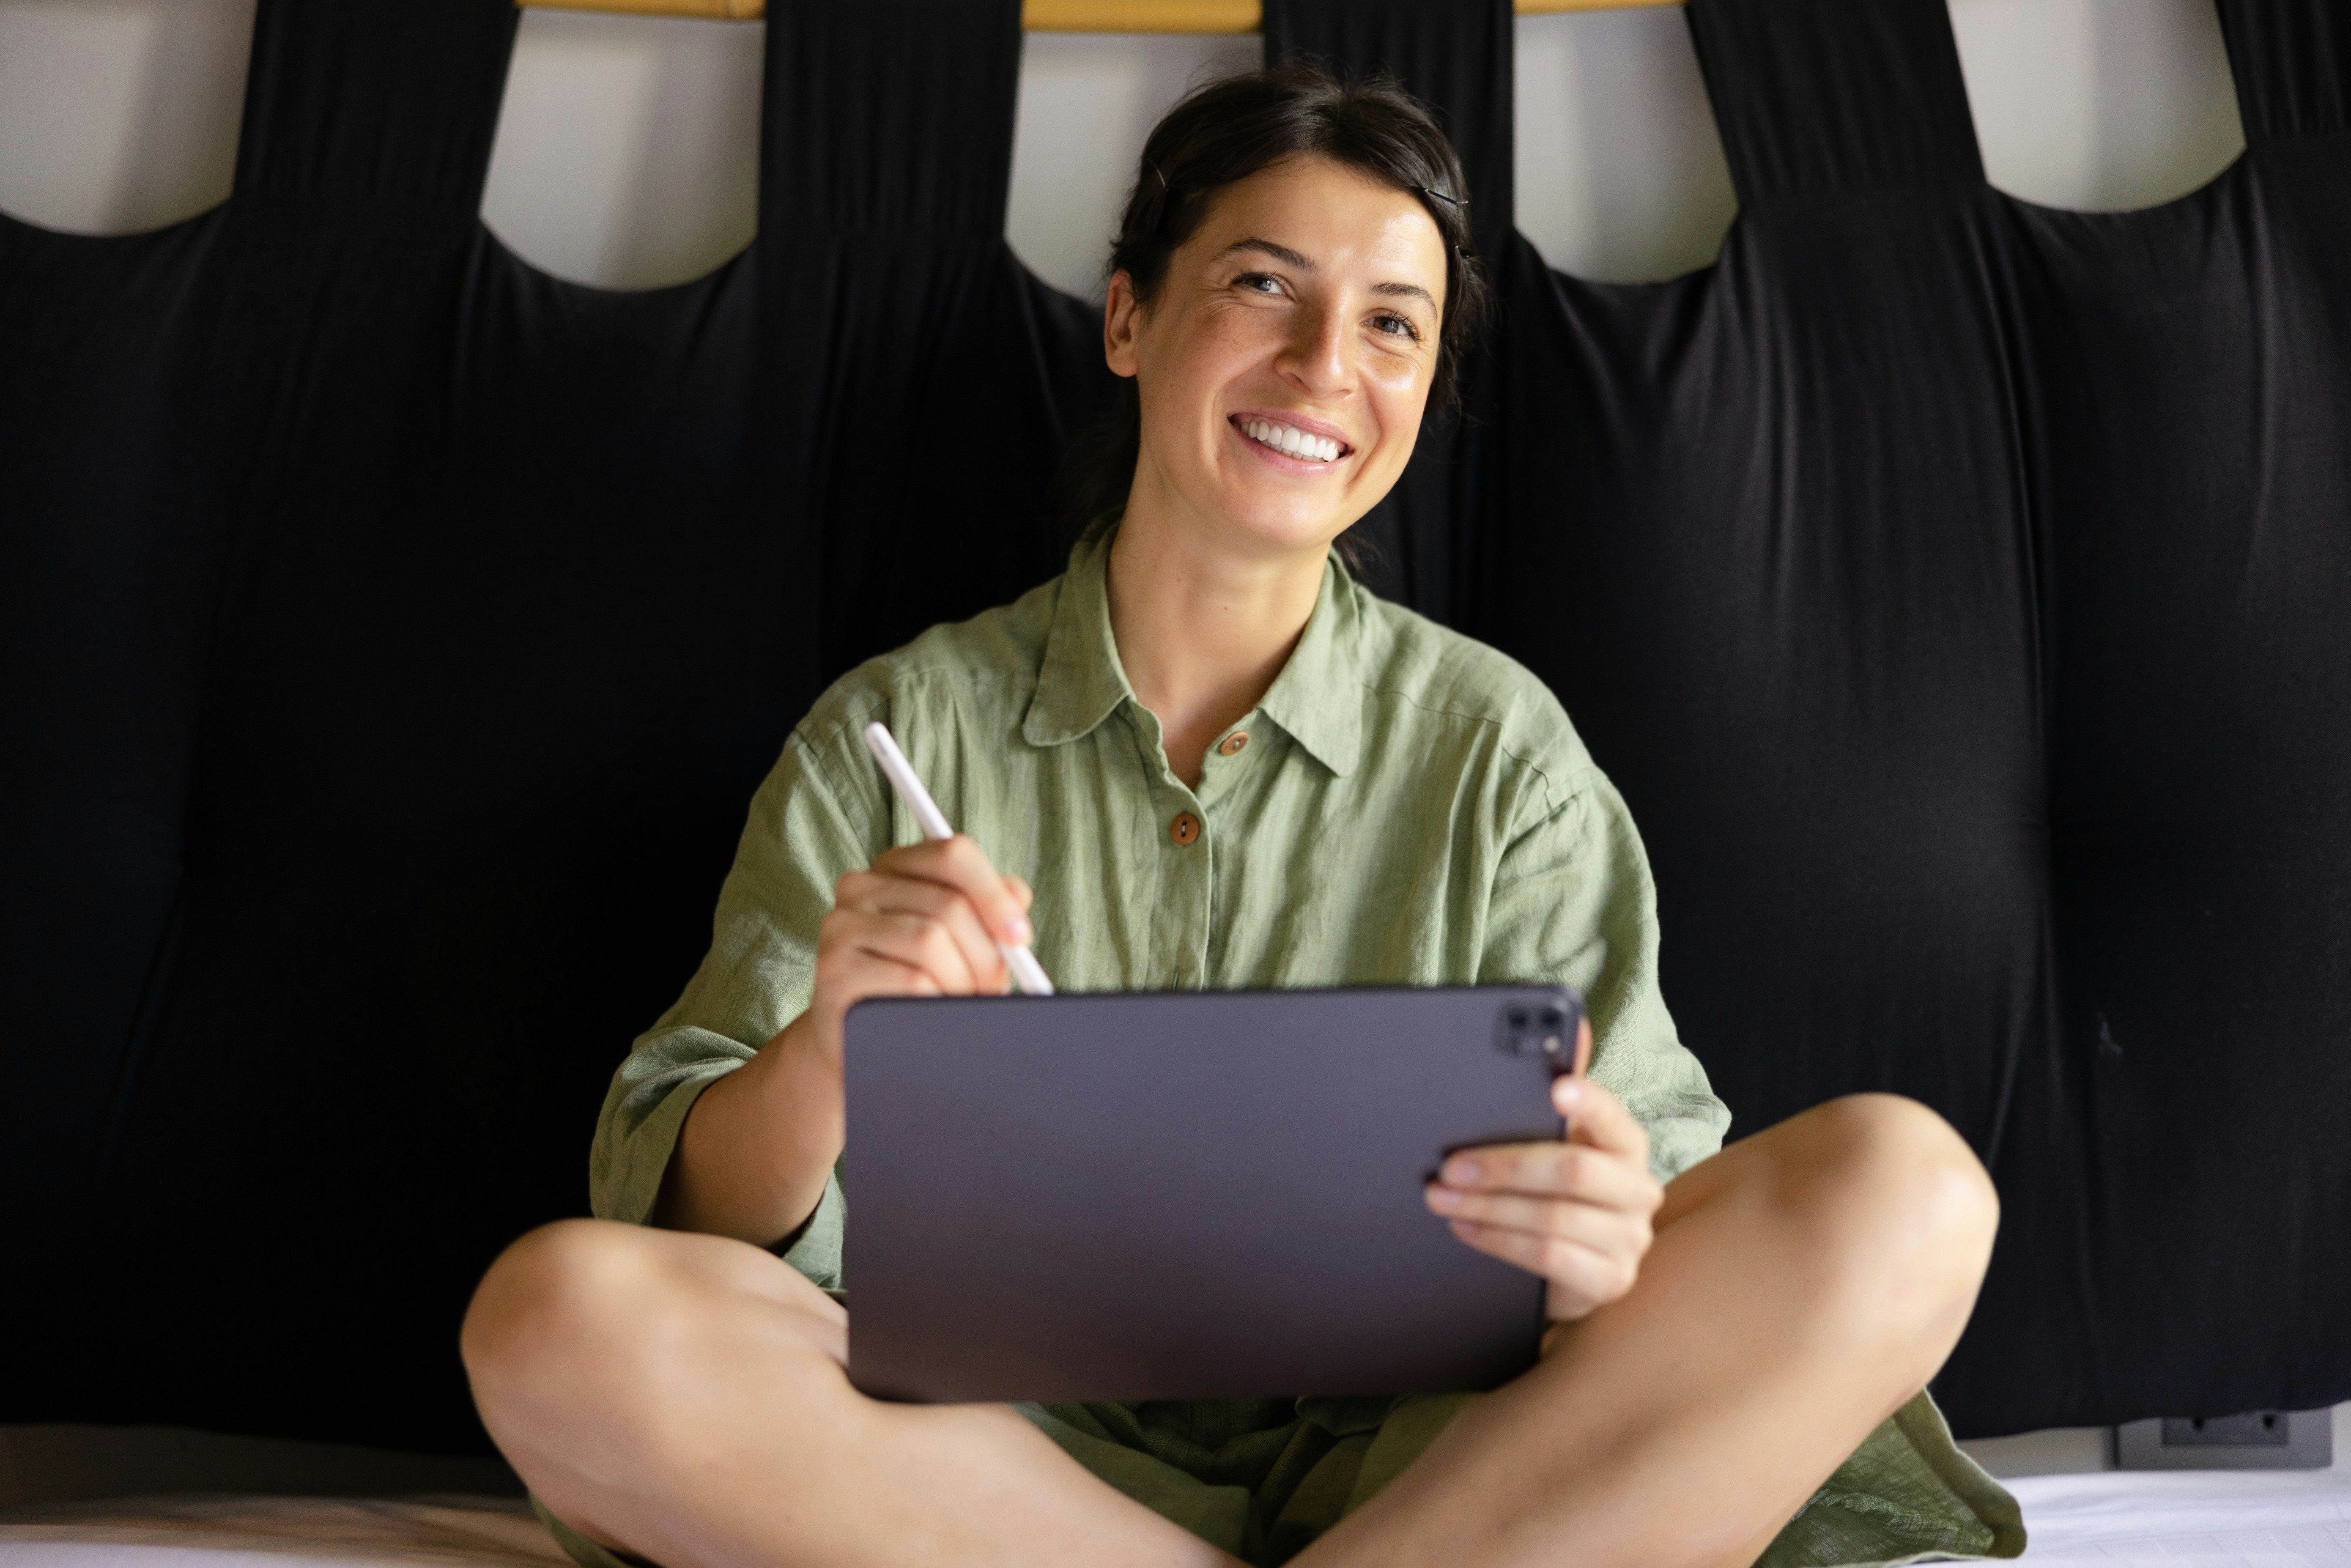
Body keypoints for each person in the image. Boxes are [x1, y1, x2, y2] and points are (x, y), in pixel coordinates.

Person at [460, 65, 2023, 1568]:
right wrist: (827, 1051)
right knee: (554, 1315)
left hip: (1446, 1470)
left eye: (1394, 325)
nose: (1325, 365)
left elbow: (1667, 1244)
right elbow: (684, 1228)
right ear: (1131, 316)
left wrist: (1603, 1240)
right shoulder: (899, 733)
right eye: (1268, 287)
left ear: (1424, 389)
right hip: (984, 1476)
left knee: (1910, 1190)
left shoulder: (1503, 756)